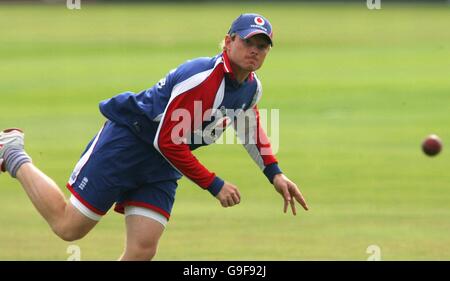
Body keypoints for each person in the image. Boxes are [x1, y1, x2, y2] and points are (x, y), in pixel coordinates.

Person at [0, 13, 308, 261]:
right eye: (248, 41)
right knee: (70, 228)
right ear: (228, 42)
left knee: (143, 248)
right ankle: (13, 152)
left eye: (263, 44)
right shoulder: (202, 79)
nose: (255, 49)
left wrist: (274, 173)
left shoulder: (252, 87)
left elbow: (247, 120)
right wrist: (214, 184)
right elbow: (168, 141)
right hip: (129, 143)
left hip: (163, 162)